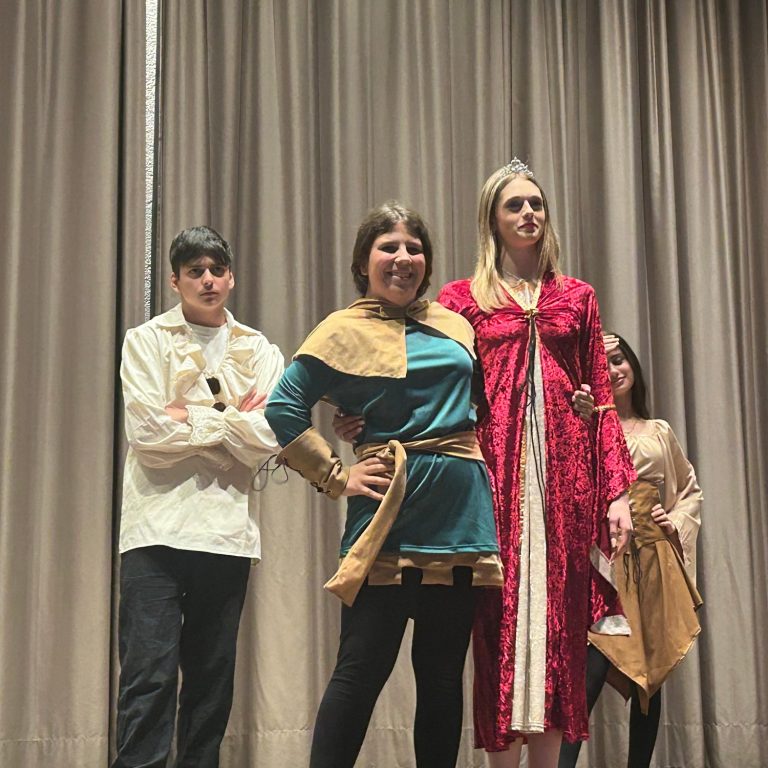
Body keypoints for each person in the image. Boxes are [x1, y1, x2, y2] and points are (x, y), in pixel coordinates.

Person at [264, 201, 503, 768]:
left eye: (413, 248)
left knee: (442, 678)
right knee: (360, 671)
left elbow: (477, 406)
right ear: (362, 262)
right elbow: (283, 406)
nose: (403, 258)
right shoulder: (341, 330)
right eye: (388, 247)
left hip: (460, 519)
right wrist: (336, 474)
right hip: (388, 521)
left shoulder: (455, 326)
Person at [436, 159, 636, 768]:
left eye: (536, 203)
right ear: (492, 220)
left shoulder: (577, 297)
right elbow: (435, 384)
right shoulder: (461, 300)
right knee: (498, 623)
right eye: (514, 205)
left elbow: (603, 400)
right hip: (492, 481)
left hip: (565, 484)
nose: (529, 213)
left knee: (559, 629)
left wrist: (617, 492)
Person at [113, 226, 284, 768]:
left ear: (231, 277)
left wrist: (187, 413)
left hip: (226, 534)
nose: (207, 280)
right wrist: (233, 417)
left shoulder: (260, 349)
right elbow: (147, 434)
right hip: (154, 532)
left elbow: (270, 436)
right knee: (148, 677)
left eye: (216, 270)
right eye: (195, 272)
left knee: (212, 684)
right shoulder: (145, 341)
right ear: (175, 281)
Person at [557, 333, 703, 768]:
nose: (614, 370)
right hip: (606, 561)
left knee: (650, 677)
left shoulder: (660, 431)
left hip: (654, 562)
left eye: (619, 359)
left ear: (633, 366)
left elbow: (689, 491)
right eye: (603, 363)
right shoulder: (587, 427)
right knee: (591, 670)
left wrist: (673, 520)